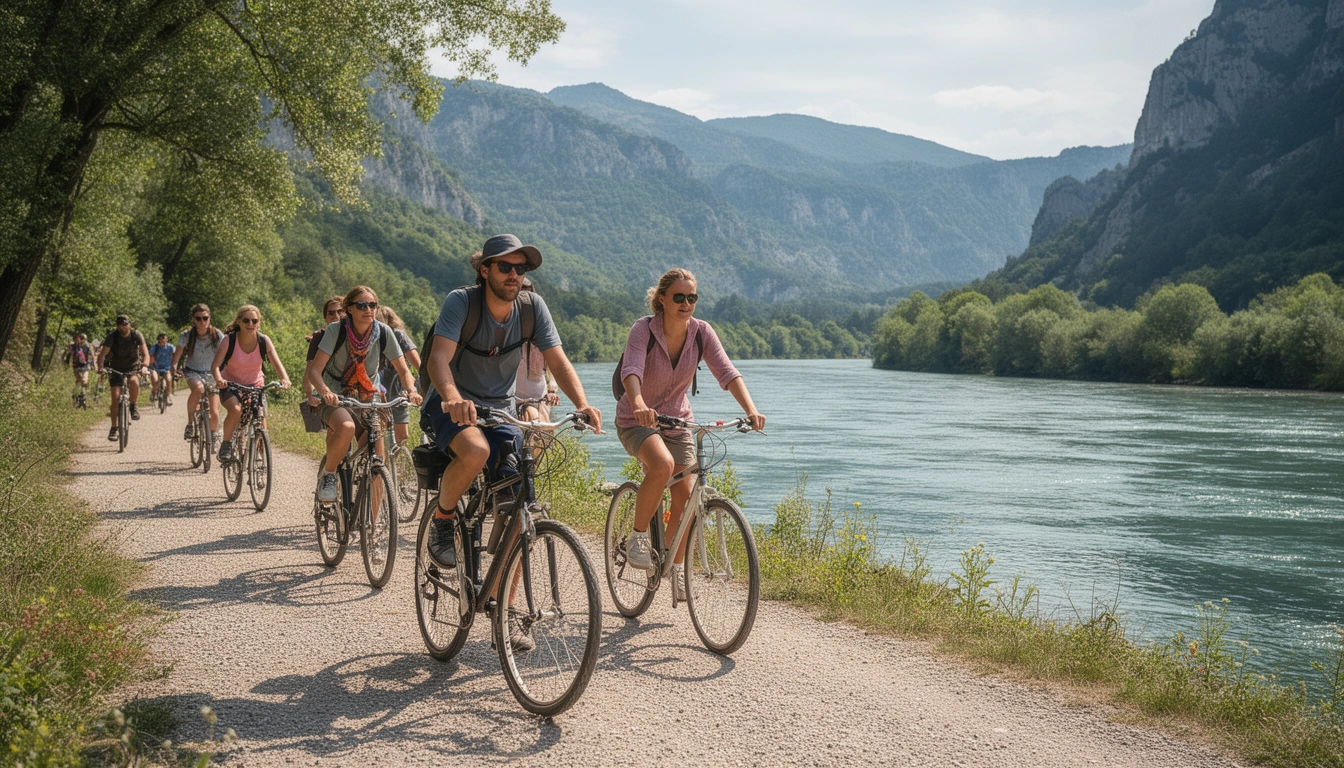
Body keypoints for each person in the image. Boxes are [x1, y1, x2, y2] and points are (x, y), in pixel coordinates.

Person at [421, 234, 603, 571]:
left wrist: (583, 404)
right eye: (505, 267)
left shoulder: (533, 308)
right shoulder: (461, 302)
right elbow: (438, 360)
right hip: (449, 403)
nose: (514, 275)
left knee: (518, 505)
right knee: (476, 451)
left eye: (521, 268)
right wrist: (453, 398)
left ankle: (503, 603)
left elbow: (559, 362)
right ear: (485, 270)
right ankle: (443, 521)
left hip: (499, 407)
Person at [616, 268, 765, 599]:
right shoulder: (643, 330)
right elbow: (632, 370)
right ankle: (637, 538)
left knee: (686, 493)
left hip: (678, 421)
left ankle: (676, 566)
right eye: (679, 297)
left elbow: (726, 372)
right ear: (663, 299)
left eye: (692, 298)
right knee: (662, 465)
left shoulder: (701, 333)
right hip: (636, 420)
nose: (686, 303)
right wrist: (639, 403)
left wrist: (750, 410)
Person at [309, 287, 421, 503]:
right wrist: (325, 392)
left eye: (372, 305)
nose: (368, 309)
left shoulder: (383, 332)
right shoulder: (336, 331)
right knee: (346, 426)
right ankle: (329, 475)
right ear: (349, 309)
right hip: (334, 394)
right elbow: (315, 371)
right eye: (361, 305)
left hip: (368, 397)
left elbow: (404, 370)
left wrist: (411, 390)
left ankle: (371, 531)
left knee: (378, 459)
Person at [211, 305, 292, 464]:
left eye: (254, 321)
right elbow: (215, 366)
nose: (250, 324)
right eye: (246, 320)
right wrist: (219, 379)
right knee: (235, 410)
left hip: (255, 385)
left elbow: (277, 363)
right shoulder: (229, 340)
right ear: (239, 322)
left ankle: (261, 449)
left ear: (259, 323)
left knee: (260, 415)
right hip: (231, 385)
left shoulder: (264, 340)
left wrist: (285, 378)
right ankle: (226, 444)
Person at [174, 303, 226, 445]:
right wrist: (174, 368)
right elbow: (178, 353)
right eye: (198, 318)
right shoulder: (187, 335)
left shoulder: (217, 335)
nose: (202, 321)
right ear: (193, 319)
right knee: (198, 388)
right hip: (193, 371)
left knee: (214, 411)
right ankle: (190, 424)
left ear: (209, 318)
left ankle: (214, 434)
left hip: (212, 374)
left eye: (205, 318)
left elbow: (227, 353)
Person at [95, 314, 150, 442]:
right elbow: (103, 354)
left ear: (129, 325)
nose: (123, 327)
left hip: (133, 365)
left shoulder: (136, 335)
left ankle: (133, 404)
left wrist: (145, 366)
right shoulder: (112, 336)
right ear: (118, 326)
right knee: (115, 397)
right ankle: (114, 428)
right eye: (121, 325)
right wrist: (100, 367)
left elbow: (145, 353)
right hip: (116, 367)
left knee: (134, 381)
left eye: (125, 324)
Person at [514, 278, 560, 422]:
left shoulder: (541, 327)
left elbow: (552, 360)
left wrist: (552, 383)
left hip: (539, 396)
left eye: (528, 293)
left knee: (544, 436)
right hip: (510, 398)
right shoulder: (506, 326)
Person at [376, 305, 422, 446]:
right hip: (380, 389)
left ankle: (396, 465)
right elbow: (419, 365)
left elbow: (418, 364)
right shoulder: (372, 336)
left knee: (401, 436)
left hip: (397, 389)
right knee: (381, 433)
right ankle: (382, 464)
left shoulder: (398, 335)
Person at [146, 332, 176, 406]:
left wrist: (174, 365)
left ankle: (168, 395)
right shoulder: (155, 347)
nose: (163, 339)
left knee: (169, 380)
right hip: (155, 368)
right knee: (156, 381)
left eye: (164, 337)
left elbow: (175, 354)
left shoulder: (170, 347)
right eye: (161, 337)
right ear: (158, 339)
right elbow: (149, 355)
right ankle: (154, 393)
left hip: (166, 368)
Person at [66, 333, 94, 406]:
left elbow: (91, 356)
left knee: (84, 381)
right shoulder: (73, 347)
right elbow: (68, 355)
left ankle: (84, 394)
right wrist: (67, 363)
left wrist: (93, 365)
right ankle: (75, 395)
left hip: (85, 366)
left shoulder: (88, 346)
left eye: (83, 339)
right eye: (77, 339)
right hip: (76, 366)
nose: (81, 340)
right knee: (79, 381)